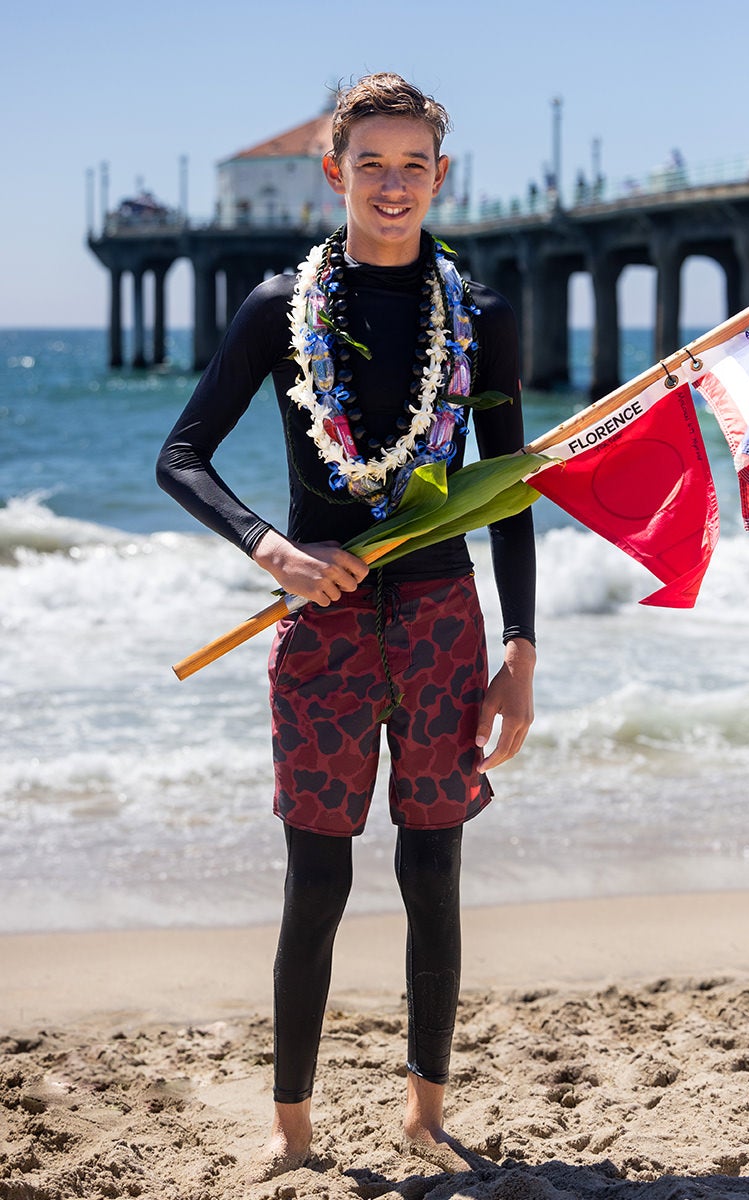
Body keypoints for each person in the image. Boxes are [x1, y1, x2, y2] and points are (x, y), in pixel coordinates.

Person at [157, 73, 534, 1177]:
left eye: (412, 163)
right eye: (370, 162)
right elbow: (180, 454)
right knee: (316, 880)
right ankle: (292, 1131)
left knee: (433, 869)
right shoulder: (280, 307)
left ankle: (424, 1117)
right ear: (336, 172)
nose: (391, 183)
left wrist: (519, 649)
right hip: (318, 629)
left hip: (440, 621)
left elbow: (507, 487)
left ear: (439, 176)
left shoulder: (482, 315)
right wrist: (269, 547)